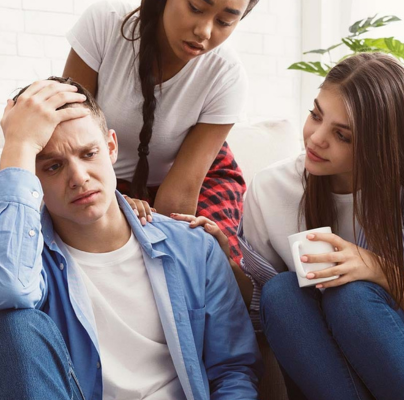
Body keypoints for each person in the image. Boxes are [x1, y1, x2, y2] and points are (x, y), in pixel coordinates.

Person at [0, 77, 262, 400]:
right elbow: (7, 289)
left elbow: (233, 370)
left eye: (89, 153)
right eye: (53, 167)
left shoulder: (195, 247)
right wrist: (19, 146)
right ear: (31, 174)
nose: (79, 178)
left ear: (111, 147)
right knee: (15, 327)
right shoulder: (26, 255)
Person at [173, 53, 404, 400]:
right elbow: (263, 311)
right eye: (316, 115)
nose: (316, 138)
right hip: (326, 374)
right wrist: (224, 263)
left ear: (381, 145)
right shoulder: (272, 188)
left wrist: (378, 268)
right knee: (281, 292)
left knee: (351, 297)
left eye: (342, 135)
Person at [63, 0, 259, 265]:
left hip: (199, 176)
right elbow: (69, 134)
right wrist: (112, 202)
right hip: (105, 176)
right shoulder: (106, 22)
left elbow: (180, 197)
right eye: (196, 8)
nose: (204, 31)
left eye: (224, 22)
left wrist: (174, 256)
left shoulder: (226, 75)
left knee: (207, 258)